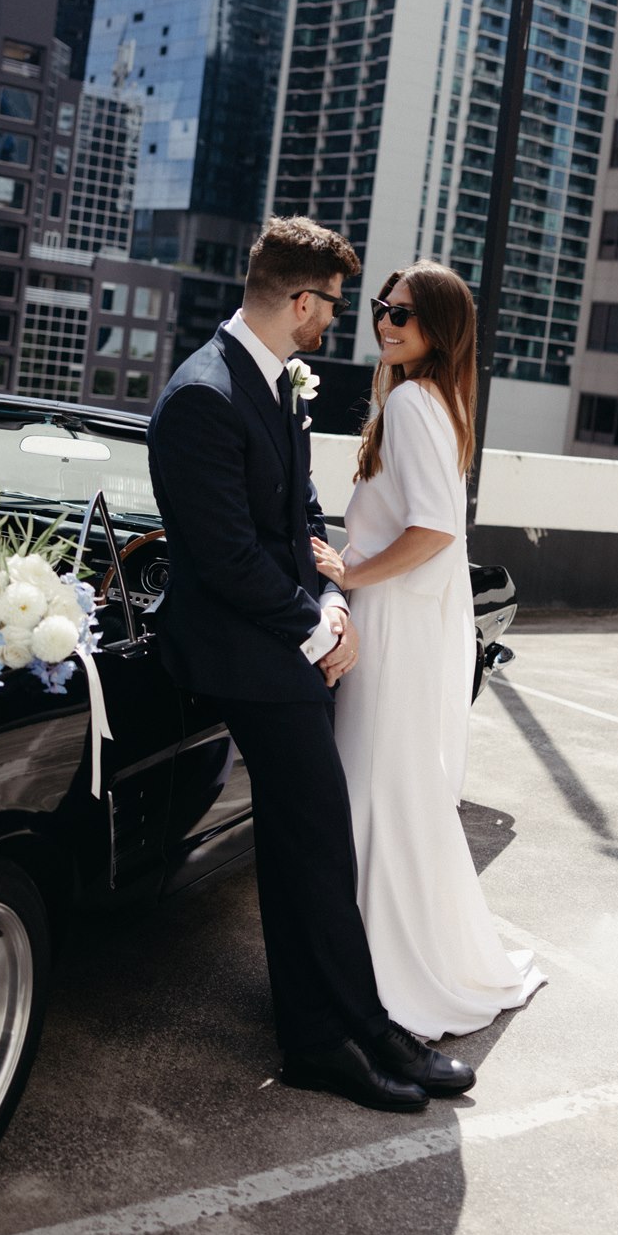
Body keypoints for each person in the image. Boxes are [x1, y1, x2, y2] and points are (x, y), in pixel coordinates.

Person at [146, 217, 475, 1112]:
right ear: (299, 301)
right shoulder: (202, 396)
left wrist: (333, 594)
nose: (340, 321)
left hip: (278, 631)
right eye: (333, 304)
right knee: (317, 839)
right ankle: (329, 1039)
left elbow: (298, 517)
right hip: (232, 649)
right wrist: (320, 626)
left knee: (311, 845)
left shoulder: (272, 379)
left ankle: (353, 1027)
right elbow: (225, 559)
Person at [314, 263, 545, 1040]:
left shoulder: (414, 401)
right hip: (413, 623)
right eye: (381, 309)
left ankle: (381, 971)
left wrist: (350, 571)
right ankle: (386, 957)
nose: (385, 323)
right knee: (392, 789)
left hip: (393, 623)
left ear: (437, 328)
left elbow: (435, 531)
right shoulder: (437, 400)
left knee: (376, 788)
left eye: (403, 314)